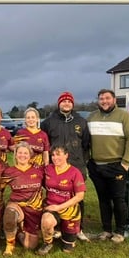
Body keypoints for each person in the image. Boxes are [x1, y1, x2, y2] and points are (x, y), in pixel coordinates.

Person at [87, 89, 129, 244]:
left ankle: (120, 231)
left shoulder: (124, 117)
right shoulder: (91, 117)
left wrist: (125, 162)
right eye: (101, 98)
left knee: (118, 200)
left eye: (107, 98)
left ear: (114, 100)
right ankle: (106, 229)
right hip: (96, 166)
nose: (104, 101)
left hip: (117, 165)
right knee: (103, 200)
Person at [40, 92, 90, 241]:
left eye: (69, 101)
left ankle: (79, 229)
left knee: (77, 198)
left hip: (76, 165)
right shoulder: (49, 122)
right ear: (59, 103)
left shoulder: (81, 121)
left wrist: (82, 162)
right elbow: (44, 144)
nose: (66, 103)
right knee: (54, 195)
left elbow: (87, 144)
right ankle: (56, 227)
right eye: (63, 101)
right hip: (55, 166)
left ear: (73, 104)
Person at [37, 145, 86, 255]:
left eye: (58, 154)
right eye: (53, 155)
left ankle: (63, 232)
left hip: (69, 210)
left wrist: (59, 207)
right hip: (51, 206)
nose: (55, 158)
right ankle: (48, 242)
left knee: (67, 249)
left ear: (66, 155)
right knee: (47, 220)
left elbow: (80, 196)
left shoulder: (75, 172)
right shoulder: (48, 169)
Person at [1, 142, 45, 255]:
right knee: (10, 213)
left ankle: (20, 231)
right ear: (15, 155)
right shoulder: (9, 171)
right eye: (19, 153)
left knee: (29, 246)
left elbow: (50, 186)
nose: (22, 155)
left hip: (34, 209)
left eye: (25, 153)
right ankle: (10, 245)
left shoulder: (38, 170)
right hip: (17, 205)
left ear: (30, 155)